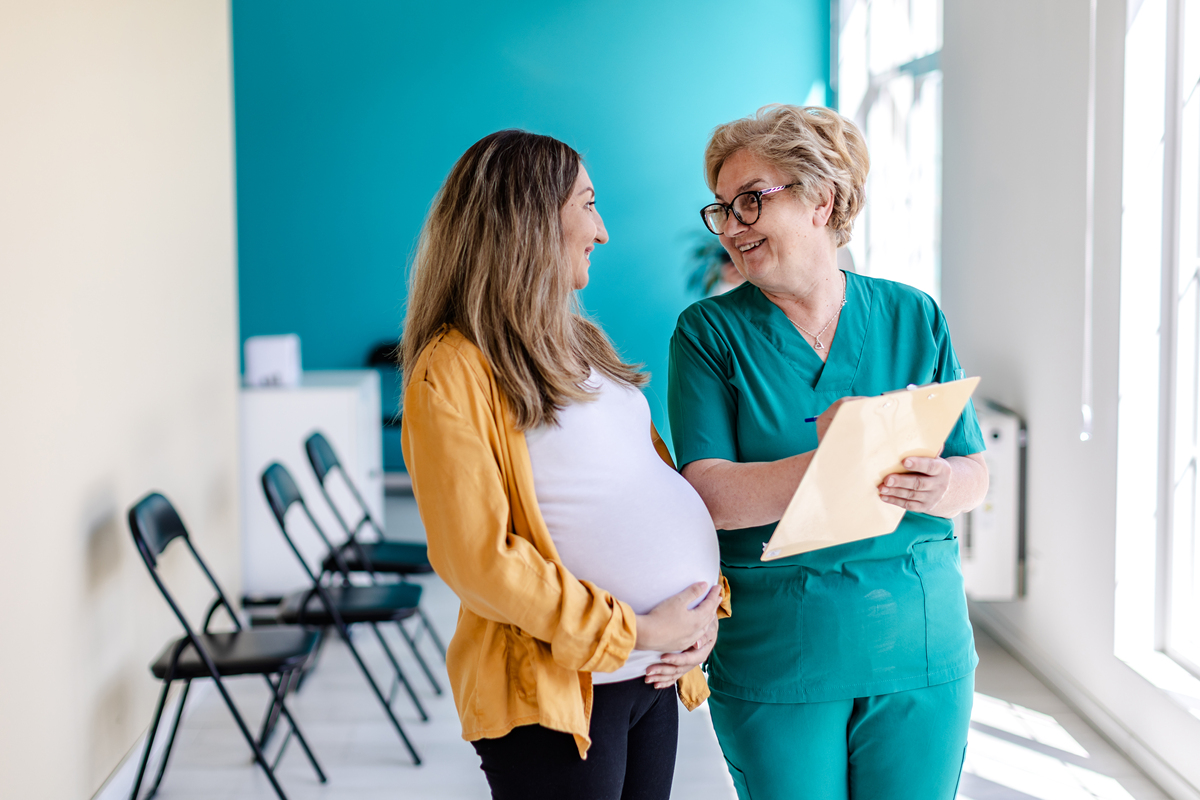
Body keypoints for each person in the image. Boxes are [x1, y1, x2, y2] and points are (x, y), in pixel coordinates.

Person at [668, 105, 989, 800]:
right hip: (782, 654)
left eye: (751, 200)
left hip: (919, 648)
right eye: (722, 209)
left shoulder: (914, 315)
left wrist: (941, 484)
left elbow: (975, 473)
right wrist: (843, 458)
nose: (733, 225)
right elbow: (709, 497)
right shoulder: (708, 334)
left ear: (825, 200)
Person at [400, 129, 728, 800]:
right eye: (587, 203)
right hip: (562, 696)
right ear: (529, 215)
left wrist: (700, 616)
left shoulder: (580, 339)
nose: (602, 231)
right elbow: (479, 561)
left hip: (648, 678)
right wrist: (636, 628)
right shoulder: (452, 367)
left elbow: (645, 485)